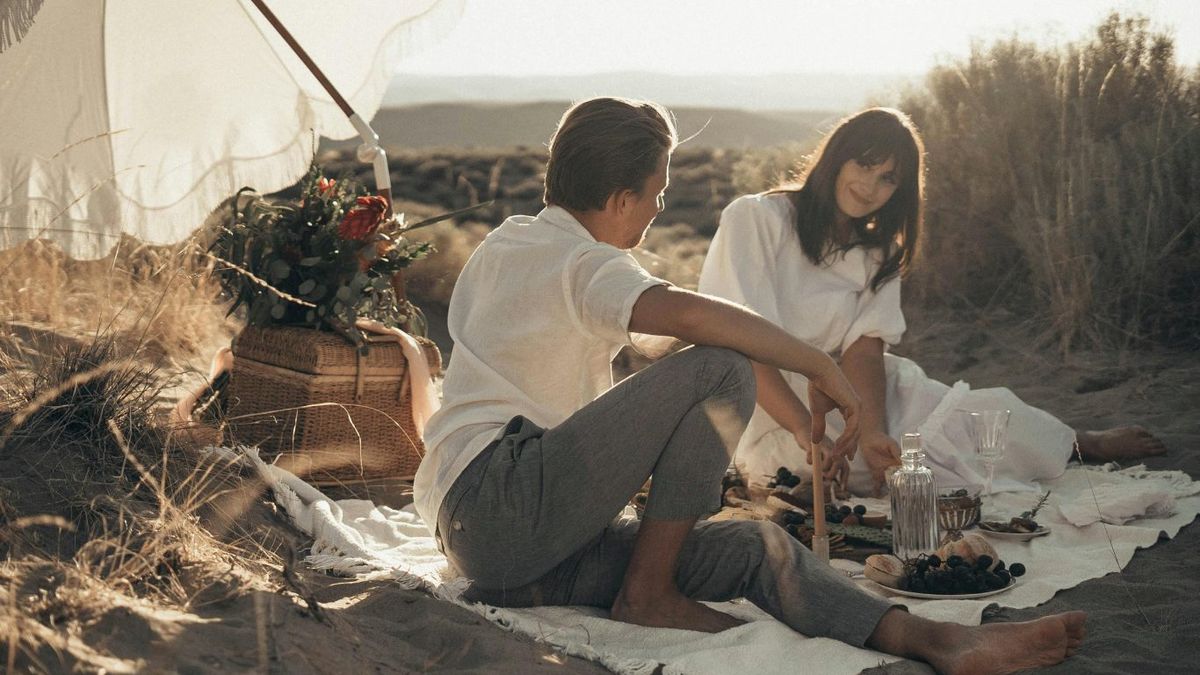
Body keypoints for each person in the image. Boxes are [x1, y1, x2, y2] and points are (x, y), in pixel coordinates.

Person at [412, 97, 1085, 673]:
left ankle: (931, 638)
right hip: (500, 501)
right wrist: (817, 366)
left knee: (752, 544)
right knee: (722, 365)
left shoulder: (510, 244)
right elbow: (698, 321)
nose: (657, 209)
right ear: (620, 201)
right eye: (656, 196)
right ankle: (648, 592)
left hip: (518, 548)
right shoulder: (577, 262)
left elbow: (648, 355)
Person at [698, 107, 1166, 496]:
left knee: (966, 425)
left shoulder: (877, 250)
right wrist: (807, 428)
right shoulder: (757, 218)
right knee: (829, 473)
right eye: (864, 165)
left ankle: (1076, 444)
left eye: (888, 179)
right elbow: (742, 341)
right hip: (767, 397)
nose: (870, 187)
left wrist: (871, 429)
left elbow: (864, 350)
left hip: (856, 395)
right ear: (836, 157)